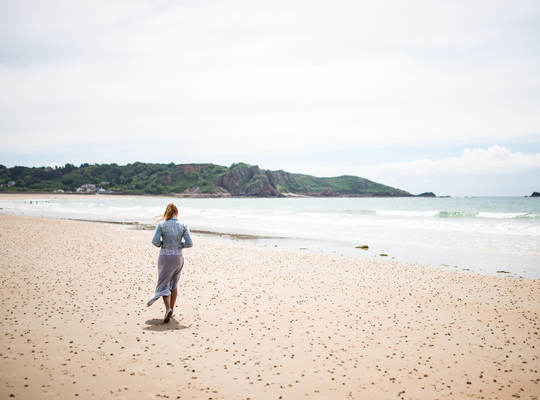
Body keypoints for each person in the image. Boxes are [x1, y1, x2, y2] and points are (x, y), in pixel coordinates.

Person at [147, 203, 193, 322]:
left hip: (165, 256)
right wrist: (179, 246)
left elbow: (154, 241)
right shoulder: (183, 225)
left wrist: (163, 245)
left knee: (163, 283)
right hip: (177, 257)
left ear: (166, 213)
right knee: (174, 283)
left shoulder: (161, 224)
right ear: (177, 213)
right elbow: (189, 243)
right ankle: (172, 310)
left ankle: (168, 309)